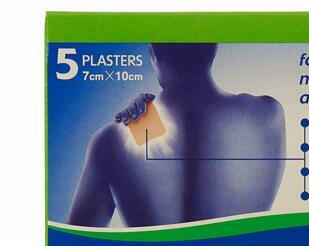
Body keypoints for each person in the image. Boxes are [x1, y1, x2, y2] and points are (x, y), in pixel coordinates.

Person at [68, 43, 286, 227]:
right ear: (214, 49)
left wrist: (143, 119)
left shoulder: (113, 140)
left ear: (153, 53)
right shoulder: (268, 115)